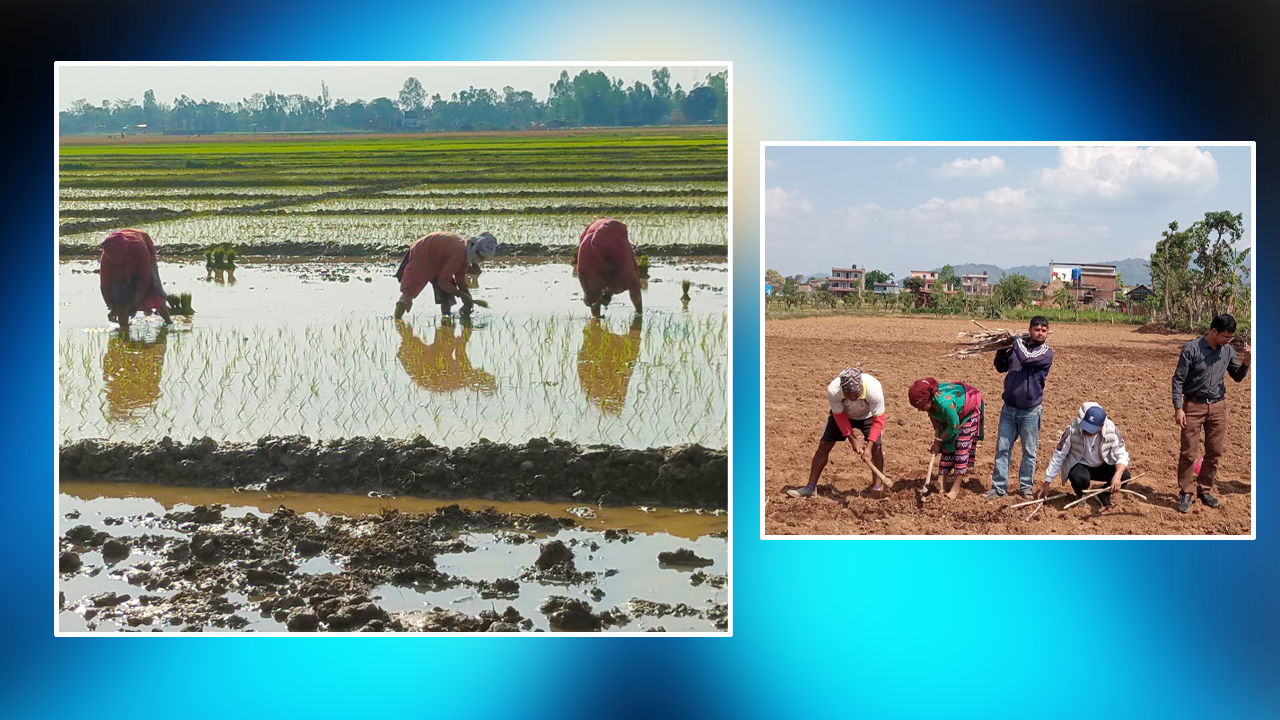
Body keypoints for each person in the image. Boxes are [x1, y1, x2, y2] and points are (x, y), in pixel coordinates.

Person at [1171, 313, 1251, 513]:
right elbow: (1178, 380)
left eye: (1231, 338)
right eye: (1226, 336)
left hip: (1217, 406)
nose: (1228, 340)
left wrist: (1247, 361)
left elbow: (1237, 377)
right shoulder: (1192, 349)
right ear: (1214, 331)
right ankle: (1186, 492)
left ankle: (1204, 489)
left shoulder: (1228, 351)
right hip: (1193, 406)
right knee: (1188, 452)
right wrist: (1178, 408)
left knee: (1214, 451)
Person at [787, 368, 887, 498]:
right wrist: (853, 440)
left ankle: (877, 488)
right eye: (848, 396)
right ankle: (810, 488)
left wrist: (868, 447)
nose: (852, 399)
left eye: (856, 395)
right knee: (824, 445)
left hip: (868, 416)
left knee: (876, 447)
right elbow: (839, 417)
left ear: (861, 388)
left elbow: (878, 421)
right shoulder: (834, 390)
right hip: (843, 415)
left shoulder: (874, 389)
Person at [989, 316, 1054, 499]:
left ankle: (1025, 487)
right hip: (1009, 408)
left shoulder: (1046, 352)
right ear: (1030, 330)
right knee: (1003, 448)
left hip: (1030, 411)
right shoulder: (1017, 348)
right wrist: (1003, 347)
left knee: (1029, 451)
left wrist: (1016, 340)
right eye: (1036, 329)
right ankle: (999, 487)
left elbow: (1026, 358)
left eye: (1043, 330)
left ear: (1047, 332)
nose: (1040, 333)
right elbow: (1001, 367)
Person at [1036, 402, 1130, 507]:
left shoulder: (1112, 431)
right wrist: (1047, 482)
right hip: (1081, 465)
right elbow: (1059, 455)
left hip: (1102, 465)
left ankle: (1103, 494)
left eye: (1092, 429)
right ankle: (1081, 493)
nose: (1087, 431)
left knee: (1125, 476)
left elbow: (1122, 455)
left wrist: (1117, 476)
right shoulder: (1072, 431)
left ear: (1101, 426)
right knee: (1079, 478)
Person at [908, 377, 984, 499]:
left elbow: (953, 425)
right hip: (953, 414)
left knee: (961, 448)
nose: (919, 410)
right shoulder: (931, 404)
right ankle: (940, 484)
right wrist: (938, 439)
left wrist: (938, 442)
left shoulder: (944, 403)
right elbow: (936, 422)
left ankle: (956, 488)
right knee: (947, 445)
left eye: (921, 406)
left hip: (968, 412)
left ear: (929, 399)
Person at [394, 232, 498, 319]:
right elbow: (443, 281)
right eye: (481, 258)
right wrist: (461, 295)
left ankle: (446, 318)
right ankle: (397, 321)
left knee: (446, 295)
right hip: (422, 256)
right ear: (476, 252)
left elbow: (460, 277)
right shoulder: (459, 254)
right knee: (408, 294)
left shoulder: (465, 253)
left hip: (439, 261)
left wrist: (467, 297)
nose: (481, 261)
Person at [98, 228, 171, 329]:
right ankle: (124, 329)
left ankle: (168, 322)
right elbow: (105, 284)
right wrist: (111, 307)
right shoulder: (108, 256)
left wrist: (135, 302)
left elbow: (144, 278)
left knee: (153, 290)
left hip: (144, 248)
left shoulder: (139, 248)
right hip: (127, 253)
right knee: (121, 301)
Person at [576, 217, 642, 318]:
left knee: (593, 291)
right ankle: (639, 314)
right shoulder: (617, 237)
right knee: (633, 282)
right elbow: (623, 269)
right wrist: (609, 293)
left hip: (586, 254)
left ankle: (596, 319)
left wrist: (588, 292)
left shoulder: (595, 225)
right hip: (595, 251)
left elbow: (583, 272)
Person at [577, 315, 643, 415]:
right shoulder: (593, 390)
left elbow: (582, 361)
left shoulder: (591, 391)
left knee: (595, 323)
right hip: (602, 352)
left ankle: (596, 314)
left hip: (601, 351)